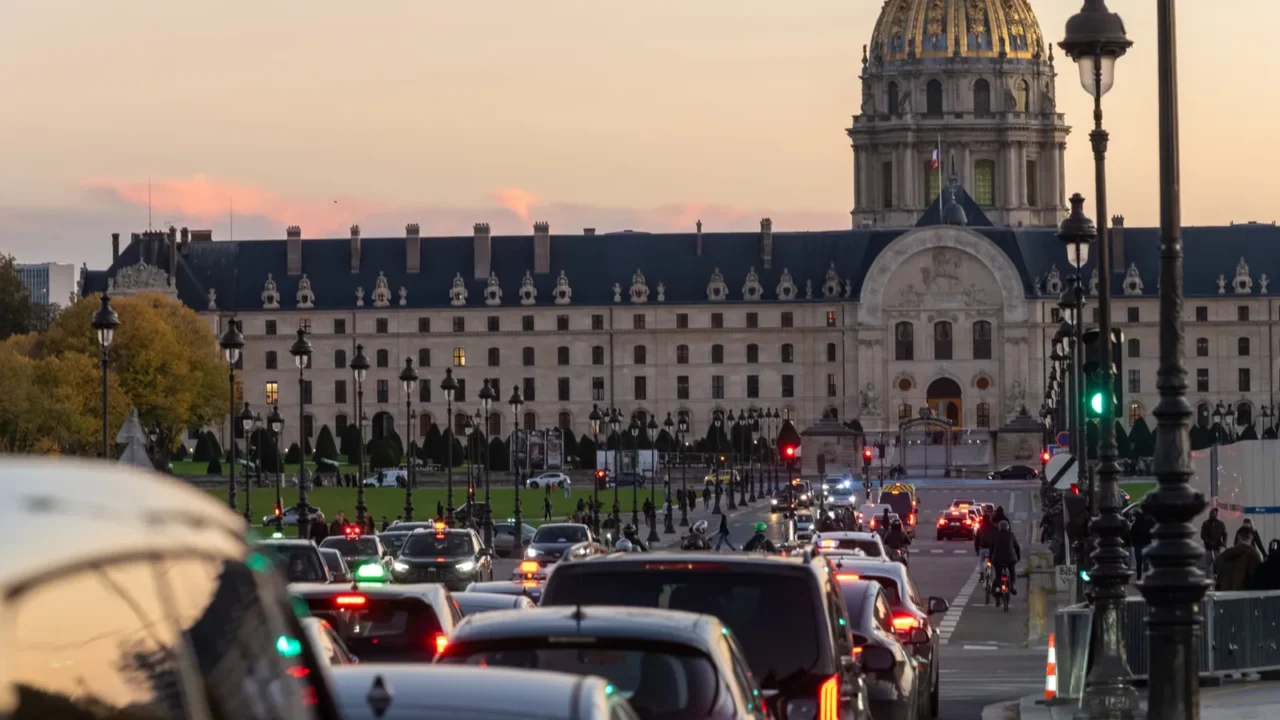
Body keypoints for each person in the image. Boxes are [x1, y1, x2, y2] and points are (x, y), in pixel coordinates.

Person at [1217, 526, 1264, 591]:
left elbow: (1218, 578)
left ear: (1238, 537)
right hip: (1244, 598)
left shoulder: (1225, 554)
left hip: (1225, 596)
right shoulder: (1254, 555)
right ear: (1251, 538)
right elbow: (1258, 580)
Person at [989, 519, 1021, 594]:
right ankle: (1012, 586)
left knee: (998, 575)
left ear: (999, 527)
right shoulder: (1011, 535)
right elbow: (1017, 547)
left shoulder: (995, 535)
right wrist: (1018, 558)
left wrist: (991, 558)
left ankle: (996, 588)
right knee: (1012, 571)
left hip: (997, 559)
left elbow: (991, 548)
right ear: (1008, 527)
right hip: (1010, 559)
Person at [1129, 507, 1155, 581]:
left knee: (1139, 563)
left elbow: (1132, 534)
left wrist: (1133, 542)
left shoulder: (1135, 524)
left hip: (1138, 544)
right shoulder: (1148, 522)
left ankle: (1139, 577)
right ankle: (1145, 576)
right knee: (1145, 562)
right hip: (1146, 543)